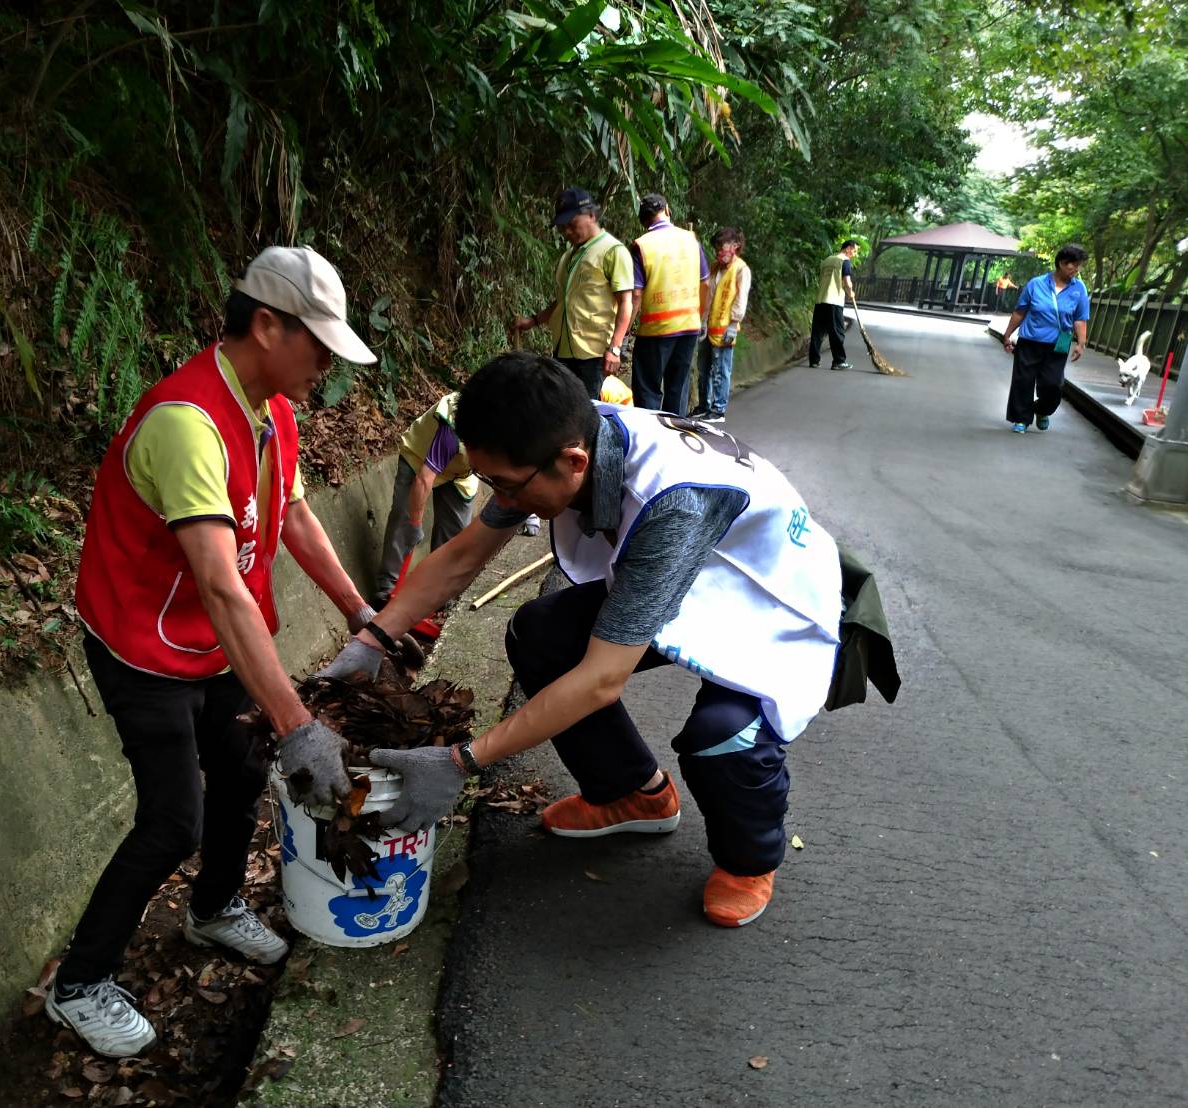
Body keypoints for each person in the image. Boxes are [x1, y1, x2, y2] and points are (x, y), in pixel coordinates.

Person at [321, 353, 844, 929]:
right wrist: (373, 640)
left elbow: (601, 679)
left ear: (572, 462)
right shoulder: (556, 433)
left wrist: (460, 761)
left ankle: (750, 861)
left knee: (723, 736)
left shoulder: (670, 501)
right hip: (690, 575)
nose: (501, 499)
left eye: (505, 485)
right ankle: (634, 794)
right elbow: (464, 556)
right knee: (539, 633)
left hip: (769, 604)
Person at [52, 247, 372, 1057]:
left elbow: (292, 517)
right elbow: (222, 585)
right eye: (319, 344)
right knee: (171, 821)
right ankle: (79, 982)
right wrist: (299, 723)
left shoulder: (272, 409)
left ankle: (213, 910)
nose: (328, 364)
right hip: (142, 646)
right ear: (266, 325)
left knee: (238, 773)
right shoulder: (186, 425)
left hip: (213, 643)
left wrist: (363, 615)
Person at [511, 187, 636, 399]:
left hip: (592, 352)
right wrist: (533, 321)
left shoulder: (613, 251)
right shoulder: (569, 256)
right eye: (562, 227)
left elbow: (626, 302)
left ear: (591, 215)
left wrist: (615, 348)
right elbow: (562, 301)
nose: (567, 232)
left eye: (571, 225)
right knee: (563, 408)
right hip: (564, 350)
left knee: (588, 413)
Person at [373, 392, 479, 608]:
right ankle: (387, 590)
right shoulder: (451, 431)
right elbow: (424, 479)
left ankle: (438, 595)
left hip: (461, 473)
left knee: (454, 535)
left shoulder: (506, 429)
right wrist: (414, 524)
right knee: (404, 519)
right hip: (420, 458)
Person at [999, 245, 1090, 433]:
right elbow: (1020, 311)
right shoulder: (1036, 284)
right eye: (1074, 265)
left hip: (1058, 344)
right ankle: (1021, 419)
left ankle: (1042, 410)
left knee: (1053, 384)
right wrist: (1008, 334)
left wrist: (1081, 343)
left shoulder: (1078, 288)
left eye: (1079, 266)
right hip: (1030, 341)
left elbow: (1080, 318)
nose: (1076, 269)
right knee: (1023, 381)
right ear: (1062, 263)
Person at [628, 193, 707, 412]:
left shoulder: (641, 246)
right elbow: (705, 283)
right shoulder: (690, 240)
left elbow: (636, 295)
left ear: (643, 221)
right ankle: (676, 438)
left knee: (648, 391)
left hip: (655, 330)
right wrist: (700, 317)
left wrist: (623, 333)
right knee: (677, 389)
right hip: (689, 326)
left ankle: (652, 440)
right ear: (668, 210)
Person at [693, 227, 751, 423]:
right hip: (709, 327)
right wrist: (702, 321)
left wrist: (733, 325)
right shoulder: (715, 267)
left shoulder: (741, 270)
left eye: (722, 246)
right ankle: (704, 406)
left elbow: (740, 300)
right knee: (704, 370)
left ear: (735, 246)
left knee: (720, 371)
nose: (719, 251)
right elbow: (708, 297)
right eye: (717, 247)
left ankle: (718, 410)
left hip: (725, 329)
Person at [809, 240, 857, 370]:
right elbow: (846, 281)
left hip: (820, 299)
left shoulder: (826, 261)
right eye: (854, 250)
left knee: (817, 332)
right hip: (834, 301)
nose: (854, 254)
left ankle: (814, 360)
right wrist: (850, 292)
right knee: (837, 332)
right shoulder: (844, 261)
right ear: (847, 249)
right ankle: (839, 361)